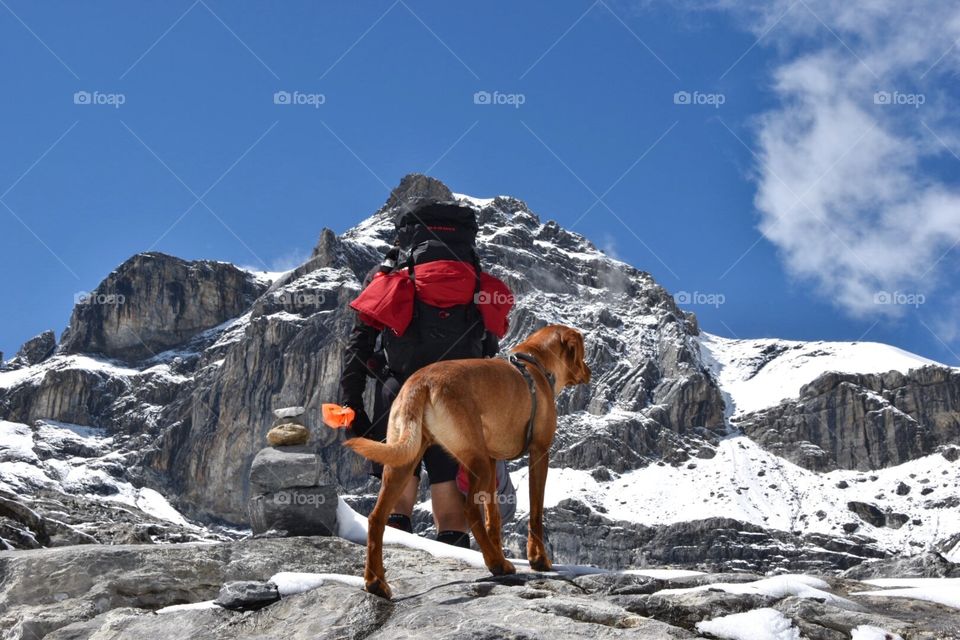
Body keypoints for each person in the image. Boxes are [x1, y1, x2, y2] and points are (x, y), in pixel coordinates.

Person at [339, 199, 513, 548]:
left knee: (398, 492)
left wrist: (352, 405)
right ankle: (455, 572)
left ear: (408, 238)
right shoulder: (480, 285)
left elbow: (359, 345)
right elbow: (490, 347)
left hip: (399, 393)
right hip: (459, 402)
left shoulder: (392, 281)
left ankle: (394, 575)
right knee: (451, 501)